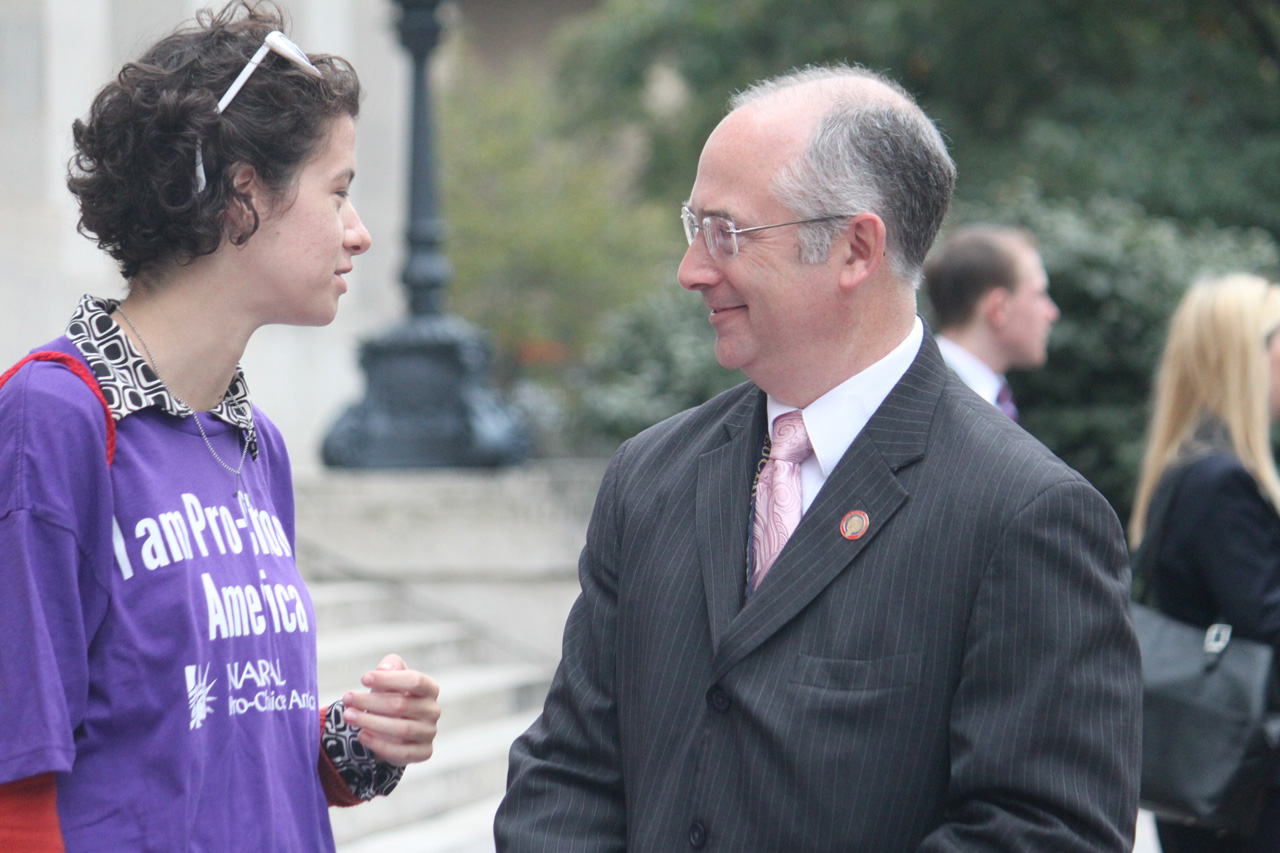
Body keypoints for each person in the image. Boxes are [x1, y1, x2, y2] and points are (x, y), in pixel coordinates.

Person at [495, 64, 1141, 852]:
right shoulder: (651, 476)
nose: (692, 269)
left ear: (855, 248)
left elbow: (1044, 830)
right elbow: (567, 773)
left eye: (725, 231)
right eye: (691, 226)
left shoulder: (1026, 514)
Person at [0, 4, 440, 850]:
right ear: (243, 194)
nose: (361, 232)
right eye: (339, 191)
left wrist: (359, 742)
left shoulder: (255, 444)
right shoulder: (50, 420)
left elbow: (216, 737)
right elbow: (17, 777)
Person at [1130, 274, 1280, 853]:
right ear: (1247, 355)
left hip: (1210, 770)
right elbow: (1266, 627)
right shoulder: (1222, 481)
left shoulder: (1190, 467)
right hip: (1244, 787)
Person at [923, 225, 1059, 421]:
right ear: (1000, 308)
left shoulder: (983, 398)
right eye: (1040, 294)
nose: (1052, 313)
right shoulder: (937, 403)